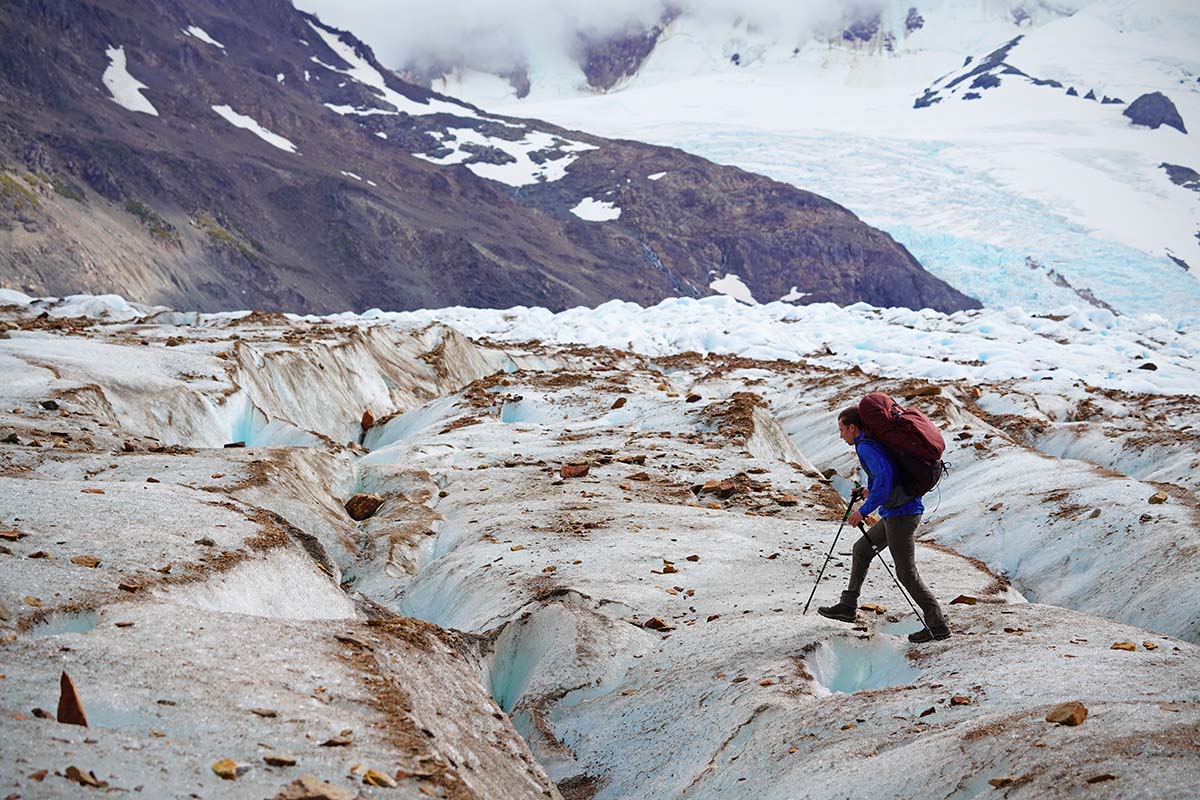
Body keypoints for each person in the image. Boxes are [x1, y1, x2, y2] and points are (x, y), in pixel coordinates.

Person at [818, 406, 950, 643]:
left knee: (906, 573)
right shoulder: (871, 442)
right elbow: (885, 478)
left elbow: (885, 483)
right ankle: (847, 606)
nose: (840, 436)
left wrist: (863, 511)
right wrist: (868, 491)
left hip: (902, 515)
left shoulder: (867, 446)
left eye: (841, 430)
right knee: (861, 550)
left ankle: (937, 625)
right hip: (896, 513)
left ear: (852, 427)